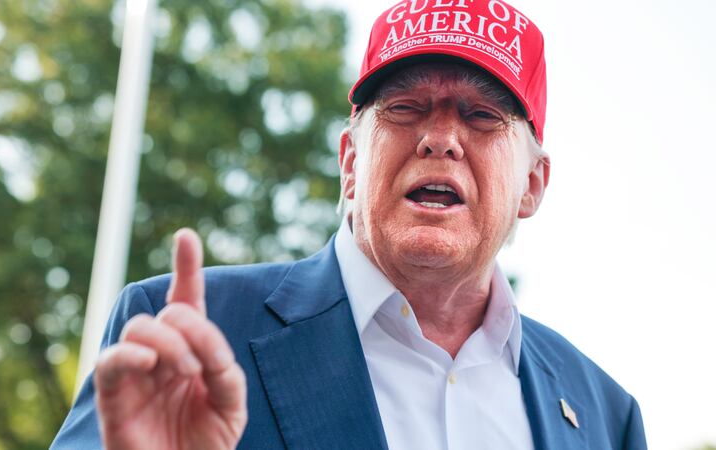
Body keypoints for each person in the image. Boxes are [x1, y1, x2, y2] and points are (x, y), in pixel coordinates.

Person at [52, 0, 648, 449]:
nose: (440, 139)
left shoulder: (605, 413)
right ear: (351, 161)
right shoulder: (183, 331)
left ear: (532, 184)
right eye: (405, 108)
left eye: (483, 115)